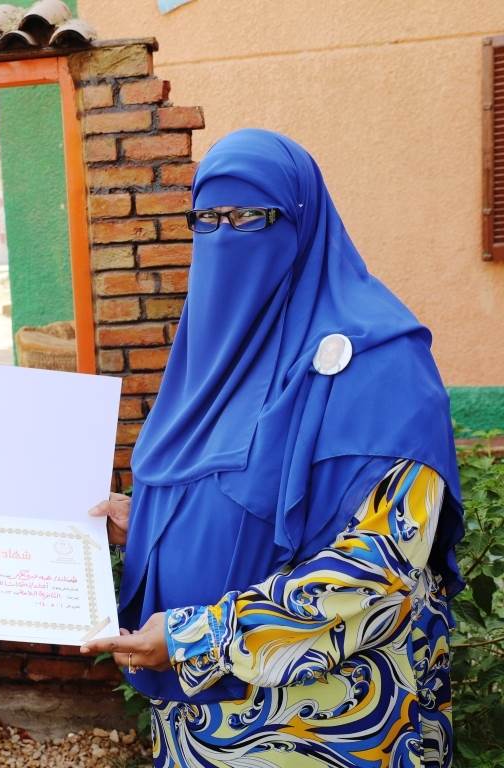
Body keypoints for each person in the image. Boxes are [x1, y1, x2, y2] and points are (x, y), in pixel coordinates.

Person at [82, 128, 463, 768]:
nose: (225, 237)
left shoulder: (384, 365)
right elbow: (222, 488)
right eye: (207, 219)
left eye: (249, 217)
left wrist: (197, 637)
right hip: (200, 726)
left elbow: (380, 565)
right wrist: (145, 521)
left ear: (303, 223)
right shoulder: (212, 361)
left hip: (336, 726)